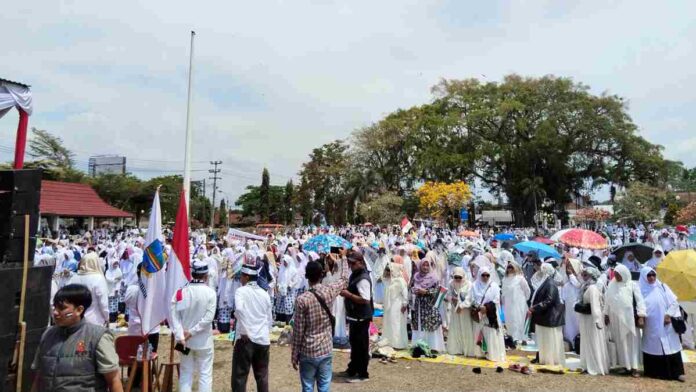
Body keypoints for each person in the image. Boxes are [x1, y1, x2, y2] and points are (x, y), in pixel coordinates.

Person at [31, 284, 123, 392]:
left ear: (79, 310)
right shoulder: (48, 335)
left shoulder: (98, 337)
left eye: (62, 308)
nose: (55, 312)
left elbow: (114, 380)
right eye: (54, 307)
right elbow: (38, 377)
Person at [292, 257, 349, 392]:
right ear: (322, 274)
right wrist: (344, 258)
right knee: (324, 387)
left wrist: (294, 355)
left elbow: (298, 331)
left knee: (307, 387)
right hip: (325, 347)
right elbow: (345, 279)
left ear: (306, 277)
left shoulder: (302, 300)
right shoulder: (329, 291)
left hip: (308, 350)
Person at [170, 260, 217, 392]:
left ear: (192, 273)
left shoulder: (180, 292)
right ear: (206, 275)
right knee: (205, 375)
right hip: (203, 341)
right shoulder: (210, 293)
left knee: (185, 374)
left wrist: (181, 335)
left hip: (186, 341)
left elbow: (175, 317)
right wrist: (192, 332)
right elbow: (208, 318)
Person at [638, 266, 686, 382]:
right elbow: (639, 306)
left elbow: (674, 302)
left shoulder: (662, 287)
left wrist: (668, 314)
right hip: (651, 326)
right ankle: (655, 373)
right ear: (644, 276)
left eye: (653, 275)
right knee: (654, 348)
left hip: (666, 323)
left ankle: (676, 373)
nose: (651, 277)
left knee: (671, 347)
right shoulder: (640, 290)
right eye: (648, 275)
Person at [232, 263, 273, 392]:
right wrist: (266, 334)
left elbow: (238, 309)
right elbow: (269, 318)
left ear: (247, 277)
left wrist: (244, 331)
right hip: (262, 339)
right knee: (262, 377)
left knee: (239, 377)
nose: (240, 279)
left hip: (246, 340)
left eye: (242, 276)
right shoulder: (264, 293)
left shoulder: (241, 291)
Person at [603, 264, 646, 377]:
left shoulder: (632, 285)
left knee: (632, 343)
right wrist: (606, 314)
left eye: (618, 274)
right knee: (620, 343)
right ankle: (626, 366)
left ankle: (635, 367)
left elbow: (640, 300)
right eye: (615, 274)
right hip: (616, 319)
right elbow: (607, 300)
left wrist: (641, 315)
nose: (616, 276)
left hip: (629, 319)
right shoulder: (612, 284)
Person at [340, 250, 374, 382]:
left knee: (361, 345)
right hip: (354, 315)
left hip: (361, 316)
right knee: (354, 344)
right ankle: (352, 368)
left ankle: (362, 373)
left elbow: (365, 299)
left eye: (353, 263)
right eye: (349, 263)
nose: (351, 266)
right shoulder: (355, 274)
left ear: (360, 263)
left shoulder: (363, 278)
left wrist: (348, 295)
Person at [529, 263, 565, 366]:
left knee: (548, 339)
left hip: (549, 317)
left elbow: (549, 300)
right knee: (542, 339)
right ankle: (541, 357)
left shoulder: (550, 283)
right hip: (544, 317)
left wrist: (535, 308)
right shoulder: (545, 282)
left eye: (542, 270)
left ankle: (548, 359)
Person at [576, 267, 610, 375]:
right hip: (585, 319)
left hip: (591, 320)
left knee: (593, 341)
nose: (583, 277)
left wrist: (596, 320)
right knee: (586, 341)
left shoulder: (592, 288)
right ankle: (586, 364)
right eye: (583, 275)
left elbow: (595, 306)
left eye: (586, 275)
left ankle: (594, 365)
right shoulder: (585, 287)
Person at [469, 266, 506, 363]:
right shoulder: (474, 285)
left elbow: (497, 299)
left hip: (491, 314)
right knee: (479, 332)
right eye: (483, 275)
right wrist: (480, 307)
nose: (485, 277)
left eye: (487, 275)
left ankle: (491, 353)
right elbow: (471, 299)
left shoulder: (494, 286)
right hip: (479, 313)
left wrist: (486, 308)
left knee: (491, 333)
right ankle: (480, 353)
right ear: (479, 275)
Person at [410, 258, 446, 353]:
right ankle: (420, 345)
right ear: (420, 266)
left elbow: (438, 291)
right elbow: (411, 287)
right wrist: (415, 290)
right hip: (419, 305)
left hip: (430, 304)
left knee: (430, 323)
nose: (425, 267)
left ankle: (433, 346)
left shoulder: (434, 278)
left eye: (427, 265)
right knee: (419, 324)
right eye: (423, 265)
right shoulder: (416, 276)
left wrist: (426, 291)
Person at [67, 252, 110, 326]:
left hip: (76, 320)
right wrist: (107, 318)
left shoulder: (74, 278)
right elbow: (103, 303)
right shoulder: (98, 278)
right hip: (95, 321)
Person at [446, 266, 475, 356]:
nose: (458, 279)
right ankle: (457, 349)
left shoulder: (469, 284)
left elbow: (470, 298)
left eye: (460, 277)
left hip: (465, 311)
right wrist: (452, 299)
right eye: (456, 277)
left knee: (466, 328)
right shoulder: (451, 283)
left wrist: (461, 306)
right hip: (455, 310)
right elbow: (448, 295)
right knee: (456, 328)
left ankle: (467, 350)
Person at [382, 261, 409, 349]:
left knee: (396, 323)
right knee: (389, 322)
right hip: (389, 306)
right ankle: (389, 341)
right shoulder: (388, 280)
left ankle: (398, 343)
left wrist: (404, 304)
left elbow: (405, 294)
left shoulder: (400, 281)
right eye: (387, 270)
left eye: (389, 270)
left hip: (398, 305)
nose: (388, 272)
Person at [502, 261, 531, 343]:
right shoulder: (505, 279)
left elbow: (527, 290)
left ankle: (519, 338)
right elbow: (503, 292)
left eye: (512, 267)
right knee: (509, 320)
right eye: (509, 267)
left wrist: (524, 300)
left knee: (518, 319)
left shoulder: (520, 278)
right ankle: (511, 337)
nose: (510, 269)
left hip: (519, 303)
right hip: (508, 304)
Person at [560, 258, 582, 349]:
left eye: (570, 267)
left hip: (577, 310)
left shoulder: (581, 280)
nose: (568, 269)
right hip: (568, 311)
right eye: (567, 267)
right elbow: (563, 299)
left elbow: (578, 285)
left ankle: (578, 344)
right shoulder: (566, 284)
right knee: (569, 326)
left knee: (577, 325)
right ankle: (570, 344)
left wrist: (571, 275)